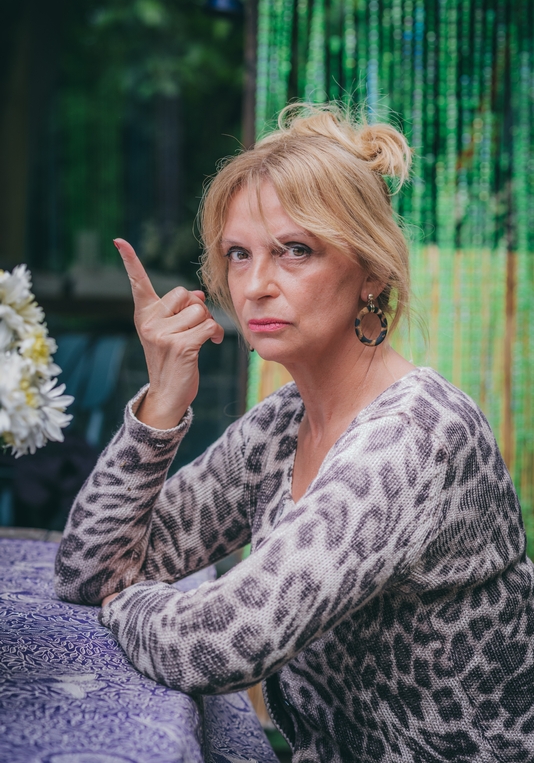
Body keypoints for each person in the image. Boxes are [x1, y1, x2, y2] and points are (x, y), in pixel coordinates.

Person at [55, 103, 534, 763]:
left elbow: (222, 642)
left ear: (371, 273)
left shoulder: (419, 436)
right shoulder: (283, 424)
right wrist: (161, 402)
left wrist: (122, 604)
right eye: (239, 254)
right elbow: (87, 570)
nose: (255, 285)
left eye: (295, 251)